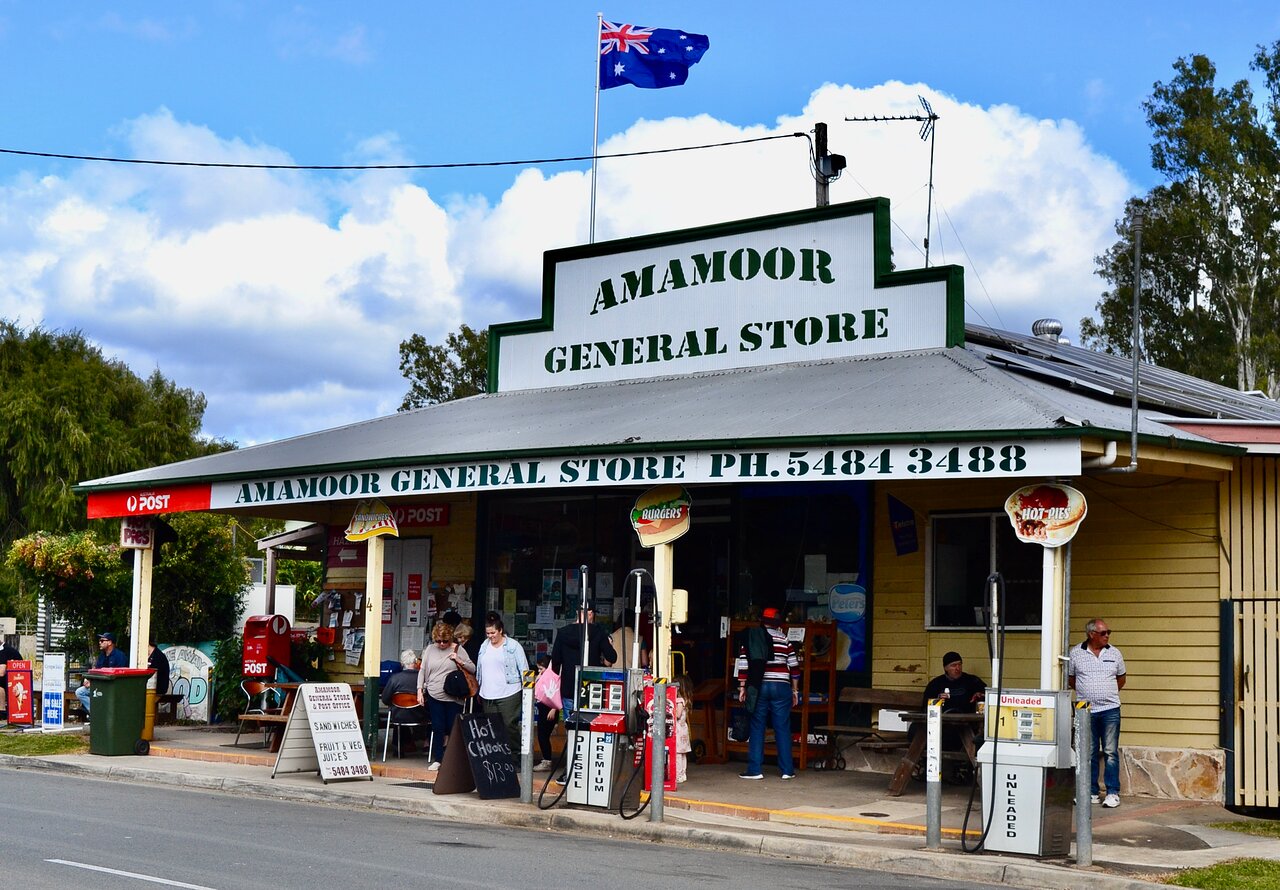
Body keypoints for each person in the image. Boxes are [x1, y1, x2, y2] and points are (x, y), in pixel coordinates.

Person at [735, 606, 800, 780]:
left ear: (762, 621)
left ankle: (755, 769)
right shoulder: (784, 639)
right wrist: (795, 690)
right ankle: (787, 770)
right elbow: (794, 666)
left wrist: (742, 687)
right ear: (777, 622)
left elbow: (743, 663)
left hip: (759, 686)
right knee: (782, 728)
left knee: (757, 727)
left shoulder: (753, 636)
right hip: (781, 687)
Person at [1068, 617, 1127, 809]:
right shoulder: (1076, 653)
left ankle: (1112, 793)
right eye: (1103, 633)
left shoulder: (1115, 653)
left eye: (1109, 632)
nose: (1107, 636)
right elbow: (1072, 680)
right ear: (1091, 634)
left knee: (1110, 751)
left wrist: (1105, 693)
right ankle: (1091, 792)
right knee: (1089, 752)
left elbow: (1121, 679)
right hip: (1085, 710)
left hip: (1110, 709)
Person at [417, 622, 475, 770]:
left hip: (453, 696)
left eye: (445, 641)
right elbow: (422, 671)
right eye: (438, 641)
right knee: (437, 727)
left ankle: (453, 757)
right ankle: (438, 758)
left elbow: (473, 668)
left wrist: (458, 659)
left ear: (450, 639)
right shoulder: (430, 649)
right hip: (434, 693)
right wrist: (419, 691)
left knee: (451, 726)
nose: (442, 644)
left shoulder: (458, 649)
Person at [550, 604, 617, 719]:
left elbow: (555, 660)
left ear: (577, 612)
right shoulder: (598, 633)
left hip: (569, 687)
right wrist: (609, 645)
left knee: (570, 727)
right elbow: (612, 658)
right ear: (590, 614)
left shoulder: (562, 633)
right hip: (592, 688)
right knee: (589, 727)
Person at [476, 614, 529, 753]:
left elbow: (525, 669)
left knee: (509, 725)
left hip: (510, 692)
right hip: (488, 694)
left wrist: (528, 692)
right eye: (488, 633)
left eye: (493, 633)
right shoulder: (484, 645)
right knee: (492, 727)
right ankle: (498, 757)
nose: (490, 636)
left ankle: (515, 756)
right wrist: (479, 688)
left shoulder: (513, 646)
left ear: (500, 630)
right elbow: (480, 669)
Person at [381, 649, 429, 755]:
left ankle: (398, 747)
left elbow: (385, 698)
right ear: (416, 662)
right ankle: (428, 744)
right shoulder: (423, 678)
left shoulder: (394, 678)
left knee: (399, 712)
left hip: (399, 715)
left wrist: (396, 703)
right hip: (420, 715)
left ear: (402, 663)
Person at [76, 631, 127, 716]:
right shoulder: (102, 655)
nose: (100, 642)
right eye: (100, 641)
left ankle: (99, 713)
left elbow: (120, 675)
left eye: (102, 641)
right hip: (100, 685)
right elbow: (96, 670)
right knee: (80, 692)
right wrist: (88, 679)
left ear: (110, 642)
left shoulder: (120, 656)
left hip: (113, 688)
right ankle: (95, 712)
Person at [532, 655, 557, 771]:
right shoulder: (542, 677)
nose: (539, 671)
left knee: (543, 735)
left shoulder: (554, 678)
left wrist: (554, 709)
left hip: (549, 709)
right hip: (542, 707)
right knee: (542, 734)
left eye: (541, 668)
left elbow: (557, 694)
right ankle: (546, 759)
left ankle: (547, 760)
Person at [673, 674, 693, 784]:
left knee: (677, 754)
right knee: (683, 753)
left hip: (678, 731)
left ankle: (678, 774)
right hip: (683, 729)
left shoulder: (679, 700)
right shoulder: (685, 699)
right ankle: (683, 773)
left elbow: (677, 714)